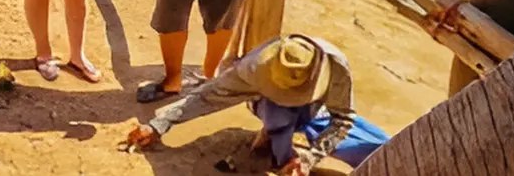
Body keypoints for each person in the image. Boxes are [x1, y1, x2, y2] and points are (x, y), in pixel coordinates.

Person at [131, 34, 390, 175]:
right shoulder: (254, 69)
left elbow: (343, 119)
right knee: (279, 116)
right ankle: (273, 139)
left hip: (315, 112)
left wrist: (311, 157)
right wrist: (159, 124)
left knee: (379, 153)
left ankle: (282, 141)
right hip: (267, 107)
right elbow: (208, 96)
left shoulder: (335, 68)